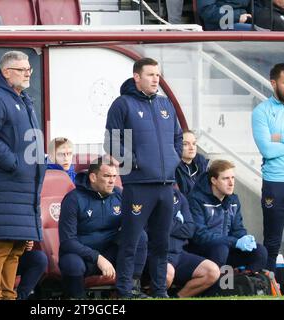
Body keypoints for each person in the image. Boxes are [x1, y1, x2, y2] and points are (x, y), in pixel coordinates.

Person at [104, 57, 183, 298]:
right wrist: (134, 162)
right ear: (137, 77)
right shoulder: (122, 104)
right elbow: (112, 141)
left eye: (157, 75)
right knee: (131, 242)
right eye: (150, 75)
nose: (155, 79)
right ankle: (125, 292)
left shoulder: (165, 105)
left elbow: (178, 138)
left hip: (166, 186)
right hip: (138, 185)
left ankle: (161, 292)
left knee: (162, 244)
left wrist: (173, 159)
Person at [0, 50, 46, 300]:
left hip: (24, 188)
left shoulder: (23, 98)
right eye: (22, 69)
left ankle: (8, 296)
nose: (28, 73)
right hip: (4, 187)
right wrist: (14, 163)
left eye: (29, 69)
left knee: (16, 248)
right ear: (6, 72)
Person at [58, 158, 148, 298]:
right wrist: (97, 258)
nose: (112, 181)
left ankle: (130, 290)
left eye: (114, 176)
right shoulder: (73, 199)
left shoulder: (118, 195)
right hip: (82, 257)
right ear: (93, 177)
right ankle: (77, 297)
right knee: (71, 263)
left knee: (139, 235)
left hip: (110, 253)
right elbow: (68, 241)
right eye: (107, 176)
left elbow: (134, 225)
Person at [252, 63, 284, 292]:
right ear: (273, 83)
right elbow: (267, 150)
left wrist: (280, 137)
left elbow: (275, 143)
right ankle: (270, 291)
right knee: (272, 242)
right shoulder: (261, 111)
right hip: (275, 183)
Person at [187, 160, 268, 272]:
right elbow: (200, 235)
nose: (231, 183)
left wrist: (245, 238)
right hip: (202, 250)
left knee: (260, 252)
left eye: (233, 178)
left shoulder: (233, 200)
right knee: (221, 249)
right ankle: (214, 287)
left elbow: (237, 229)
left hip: (226, 247)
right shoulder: (196, 199)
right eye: (226, 178)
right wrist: (234, 242)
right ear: (214, 180)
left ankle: (242, 283)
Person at [166, 187, 220, 297]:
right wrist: (178, 222)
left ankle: (177, 297)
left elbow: (190, 229)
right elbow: (153, 227)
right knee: (167, 275)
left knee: (212, 271)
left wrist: (168, 224)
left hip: (179, 253)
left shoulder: (179, 196)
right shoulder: (147, 194)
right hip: (157, 253)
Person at [175, 130, 209, 197]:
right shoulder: (173, 168)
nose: (192, 147)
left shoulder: (201, 163)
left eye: (194, 143)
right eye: (185, 144)